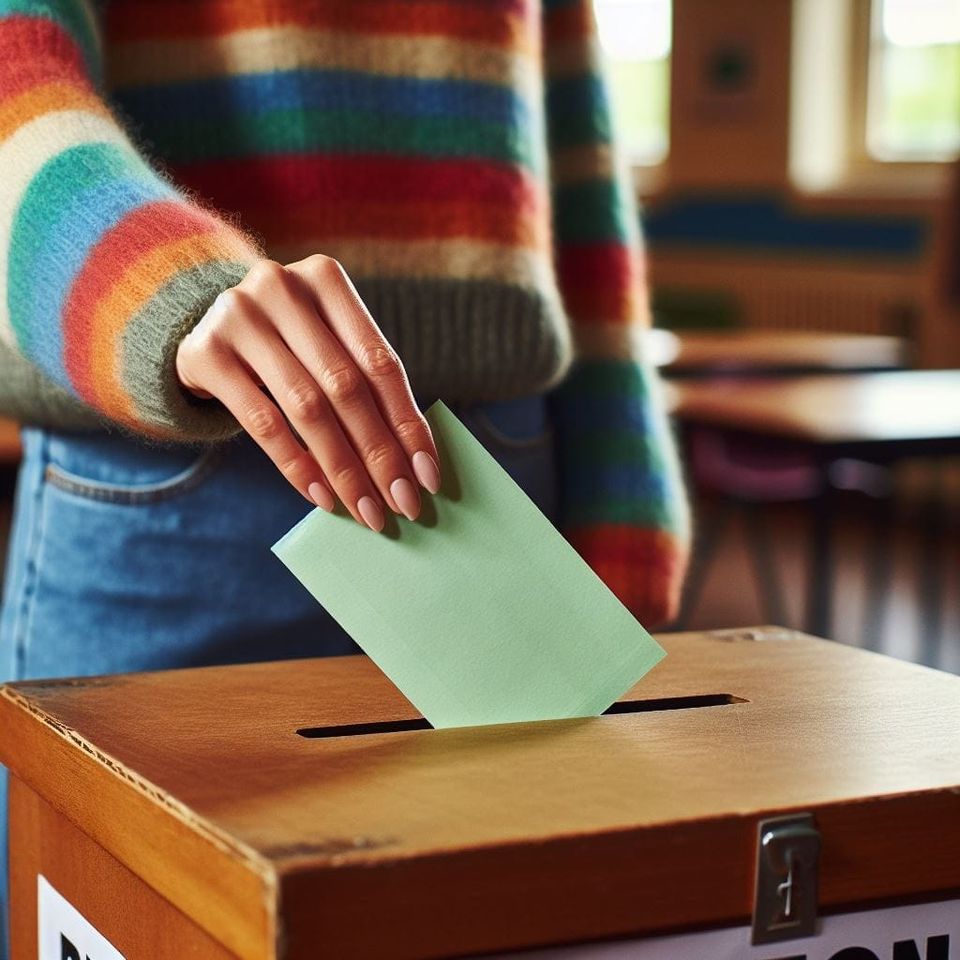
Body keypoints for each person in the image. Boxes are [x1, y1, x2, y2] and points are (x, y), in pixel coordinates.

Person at [0, 0, 690, 951]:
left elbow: (570, 138)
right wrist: (164, 289)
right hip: (170, 493)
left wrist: (629, 490)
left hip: (499, 506)